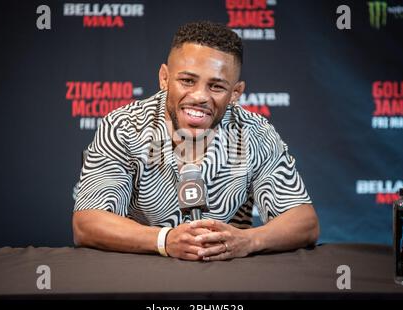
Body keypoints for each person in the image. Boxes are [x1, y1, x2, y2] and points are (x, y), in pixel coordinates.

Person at [73, 21, 319, 261]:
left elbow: (304, 222)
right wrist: (164, 240)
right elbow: (87, 222)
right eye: (187, 81)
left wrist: (249, 240)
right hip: (142, 272)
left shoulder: (255, 133)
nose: (200, 96)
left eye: (216, 86)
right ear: (164, 78)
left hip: (228, 278)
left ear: (235, 93)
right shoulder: (124, 126)